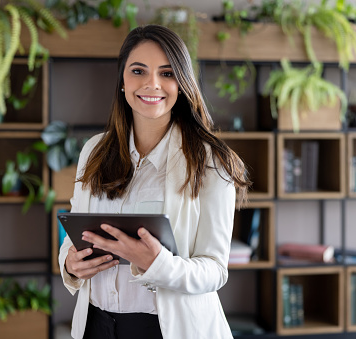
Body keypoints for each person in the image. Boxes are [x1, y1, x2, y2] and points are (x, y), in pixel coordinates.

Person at [59, 24, 250, 339]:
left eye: (166, 73)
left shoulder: (210, 161)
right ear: (122, 80)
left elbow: (215, 270)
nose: (151, 84)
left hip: (166, 329)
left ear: (182, 83)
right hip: (96, 326)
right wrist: (70, 264)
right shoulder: (94, 150)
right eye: (138, 70)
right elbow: (74, 234)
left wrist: (159, 264)